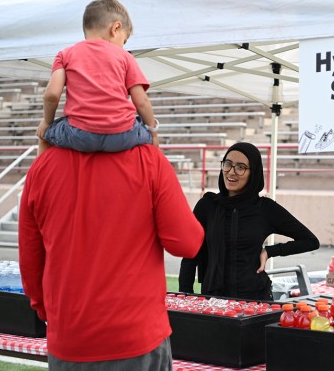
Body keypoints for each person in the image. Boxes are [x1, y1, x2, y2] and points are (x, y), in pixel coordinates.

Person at [18, 144, 204, 370]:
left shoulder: (43, 165)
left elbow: (30, 265)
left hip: (71, 335)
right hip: (137, 334)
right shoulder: (150, 160)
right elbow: (188, 242)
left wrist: (52, 314)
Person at [178, 142, 320, 300]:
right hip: (213, 301)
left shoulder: (265, 208)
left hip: (255, 300)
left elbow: (310, 241)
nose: (231, 172)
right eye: (228, 164)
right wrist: (185, 296)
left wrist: (270, 251)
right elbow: (190, 255)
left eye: (240, 167)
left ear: (253, 173)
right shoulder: (207, 206)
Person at [36, 0, 159, 156]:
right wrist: (153, 132)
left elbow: (51, 95)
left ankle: (39, 174)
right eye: (124, 40)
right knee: (147, 132)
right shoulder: (126, 57)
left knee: (44, 134)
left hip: (80, 135)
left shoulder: (64, 55)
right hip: (122, 135)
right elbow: (142, 101)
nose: (123, 45)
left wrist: (46, 122)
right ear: (116, 28)